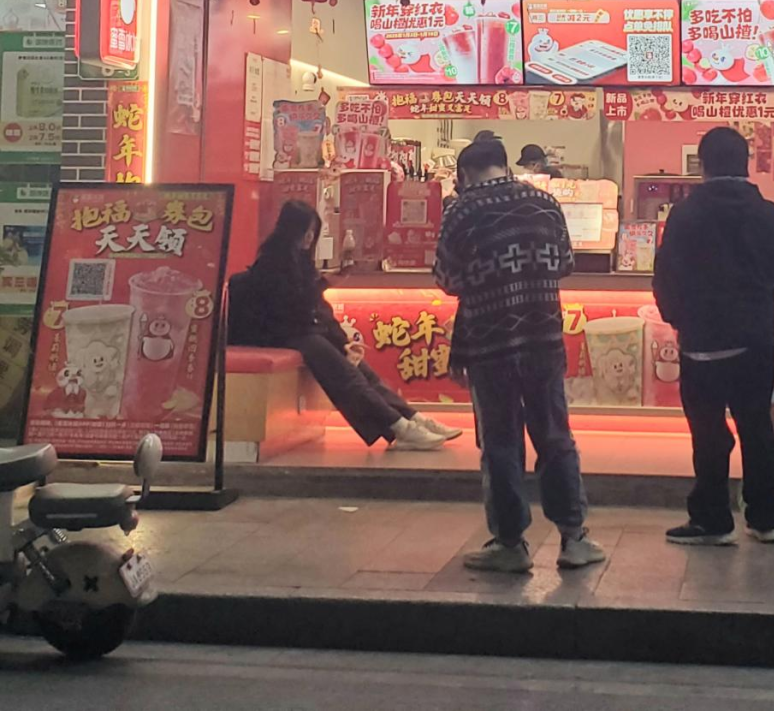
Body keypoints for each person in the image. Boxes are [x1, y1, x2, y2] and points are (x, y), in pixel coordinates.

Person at [434, 137, 604, 574]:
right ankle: (573, 538)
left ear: (464, 174)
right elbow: (565, 263)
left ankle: (511, 543)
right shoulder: (545, 203)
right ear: (506, 166)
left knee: (500, 442)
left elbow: (448, 280)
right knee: (555, 435)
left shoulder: (460, 211)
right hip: (542, 338)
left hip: (488, 344)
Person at [652, 126, 774, 547]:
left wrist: (678, 319)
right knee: (756, 426)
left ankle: (713, 519)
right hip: (754, 339)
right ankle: (765, 518)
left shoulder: (686, 214)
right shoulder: (764, 211)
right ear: (745, 163)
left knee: (708, 432)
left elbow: (665, 276)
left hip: (702, 342)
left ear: (703, 165)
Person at [233, 200, 461, 451]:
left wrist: (343, 342)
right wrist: (324, 286)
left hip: (297, 331)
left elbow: (316, 309)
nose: (310, 237)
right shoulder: (272, 262)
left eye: (313, 232)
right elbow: (293, 308)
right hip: (276, 334)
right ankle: (398, 427)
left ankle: (410, 418)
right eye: (307, 231)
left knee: (360, 369)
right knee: (343, 372)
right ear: (293, 230)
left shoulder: (300, 261)